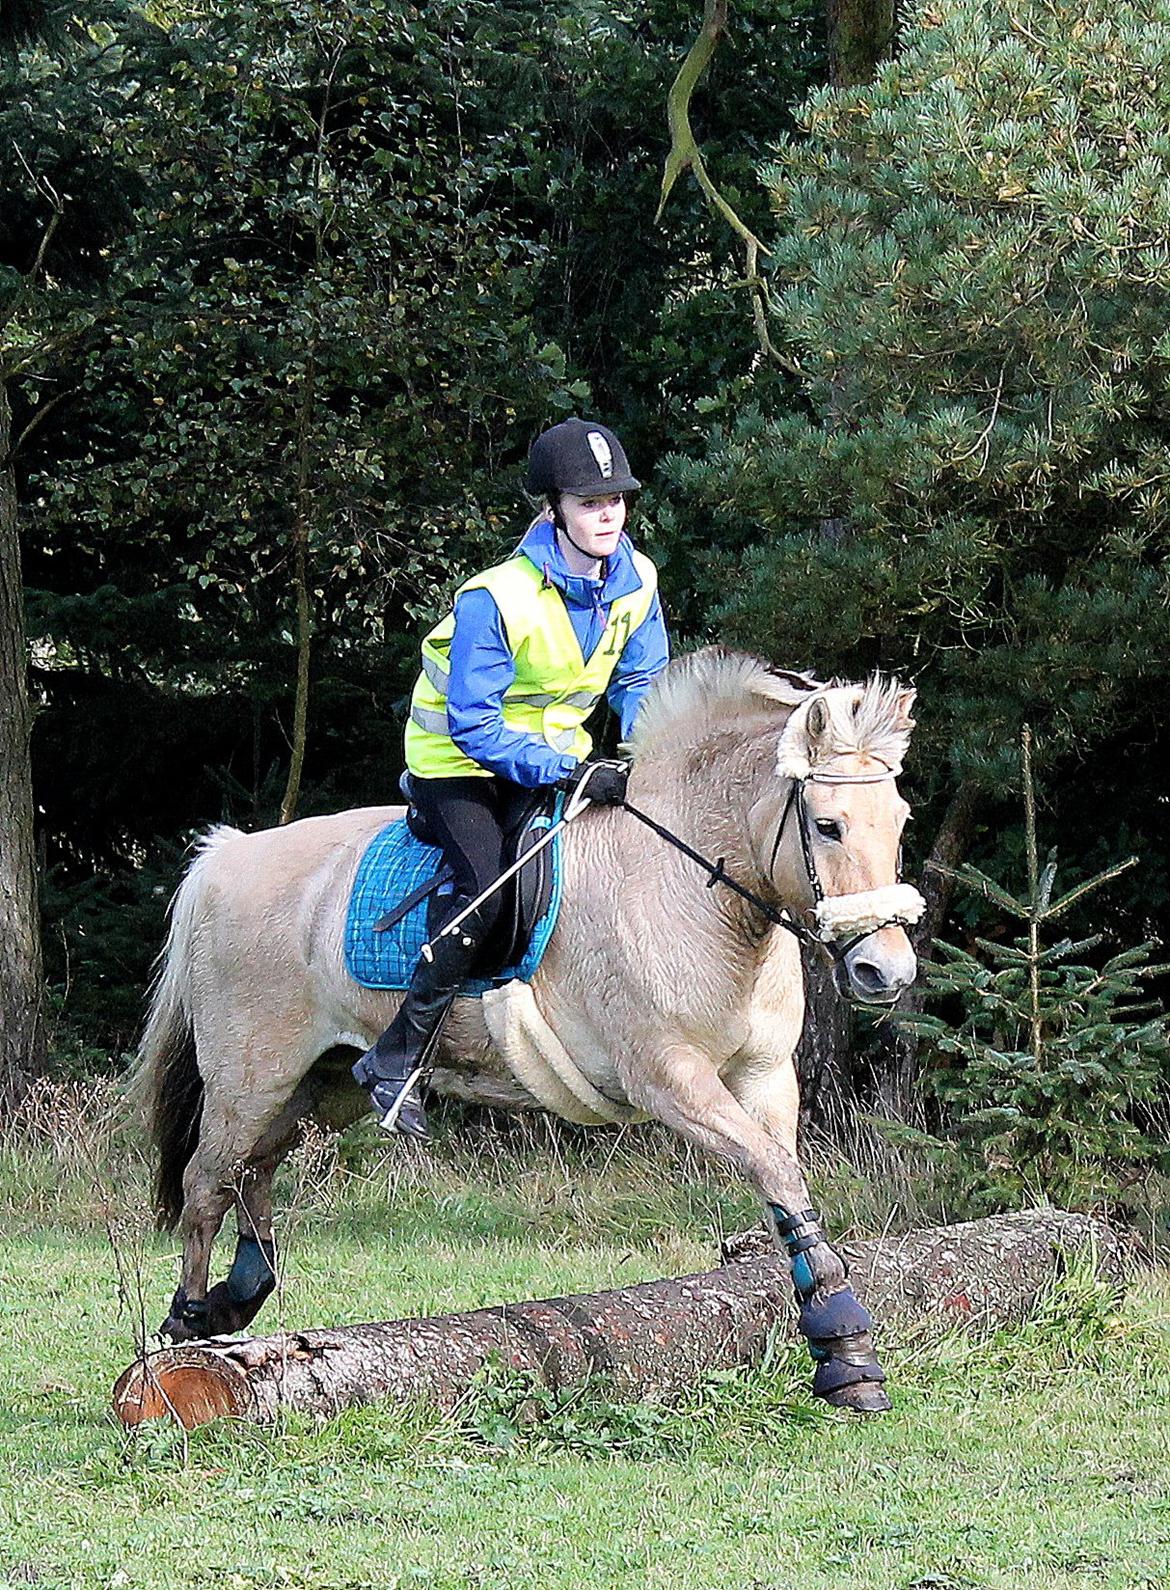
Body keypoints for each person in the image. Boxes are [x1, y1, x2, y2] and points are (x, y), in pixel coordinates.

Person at [352, 416, 670, 1138]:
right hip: (456, 768)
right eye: (590, 503)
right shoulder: (494, 597)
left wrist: (646, 750)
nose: (608, 514)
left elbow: (643, 676)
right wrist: (572, 770)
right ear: (553, 508)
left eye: (616, 499)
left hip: (551, 762)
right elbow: (473, 722)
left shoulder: (637, 578)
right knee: (488, 886)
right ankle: (397, 1055)